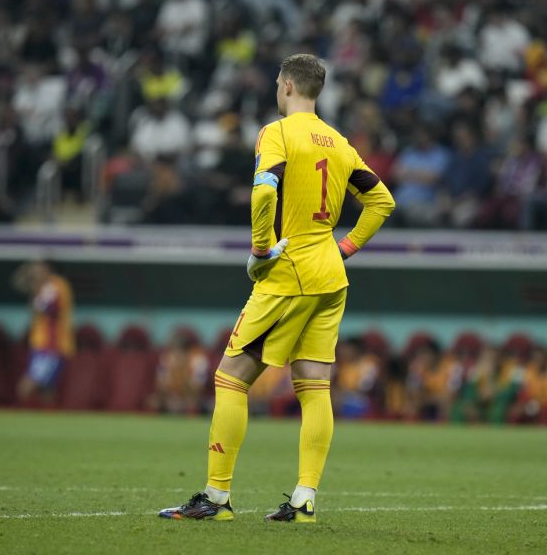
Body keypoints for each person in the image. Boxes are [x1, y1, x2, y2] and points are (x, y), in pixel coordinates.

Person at [159, 54, 394, 523]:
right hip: (331, 273)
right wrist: (343, 248)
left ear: (286, 86)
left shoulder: (277, 133)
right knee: (314, 387)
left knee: (230, 377)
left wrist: (262, 250)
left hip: (291, 272)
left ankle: (216, 498)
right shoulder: (341, 143)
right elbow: (381, 200)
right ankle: (304, 500)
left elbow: (265, 190)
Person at [14, 261, 75, 402]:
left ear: (47, 269)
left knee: (26, 386)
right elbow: (17, 283)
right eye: (34, 271)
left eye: (38, 270)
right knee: (46, 388)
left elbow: (48, 309)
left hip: (52, 345)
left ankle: (19, 419)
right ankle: (51, 421)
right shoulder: (43, 287)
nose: (35, 274)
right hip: (41, 344)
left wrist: (34, 296)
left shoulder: (55, 285)